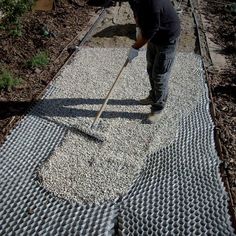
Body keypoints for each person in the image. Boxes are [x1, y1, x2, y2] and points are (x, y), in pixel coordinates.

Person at [127, 0, 181, 123]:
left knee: (159, 75)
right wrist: (139, 24)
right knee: (150, 68)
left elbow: (150, 31)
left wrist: (135, 47)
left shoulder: (153, 4)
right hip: (154, 37)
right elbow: (136, 12)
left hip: (168, 38)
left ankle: (158, 108)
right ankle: (153, 96)